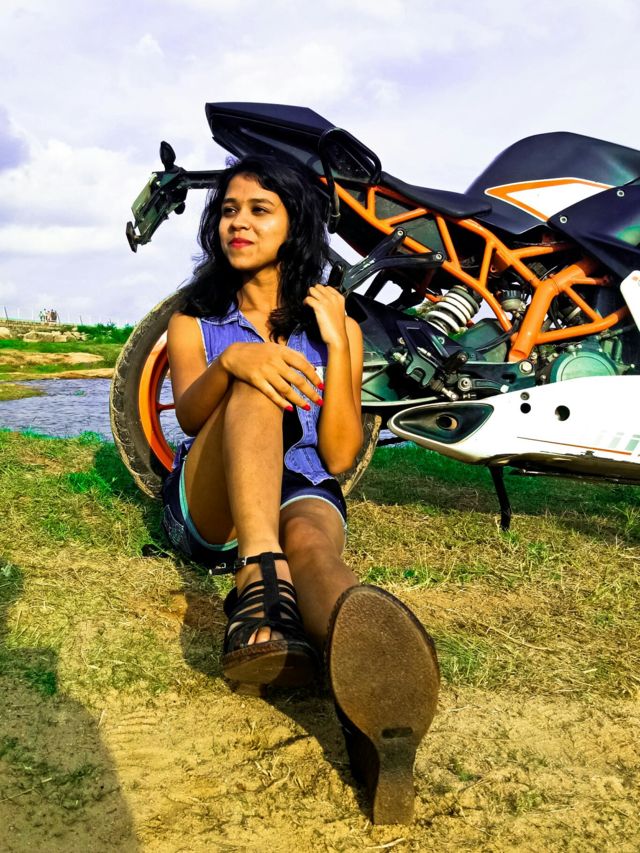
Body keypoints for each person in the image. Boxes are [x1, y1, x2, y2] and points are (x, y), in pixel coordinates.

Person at [161, 154, 440, 824]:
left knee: (314, 547)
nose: (238, 223)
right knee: (256, 385)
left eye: (260, 210)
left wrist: (340, 347)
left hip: (304, 483)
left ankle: (378, 691)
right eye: (229, 210)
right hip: (217, 499)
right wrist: (236, 361)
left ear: (296, 225)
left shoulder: (335, 327)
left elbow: (338, 455)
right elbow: (192, 418)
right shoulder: (193, 321)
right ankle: (259, 580)